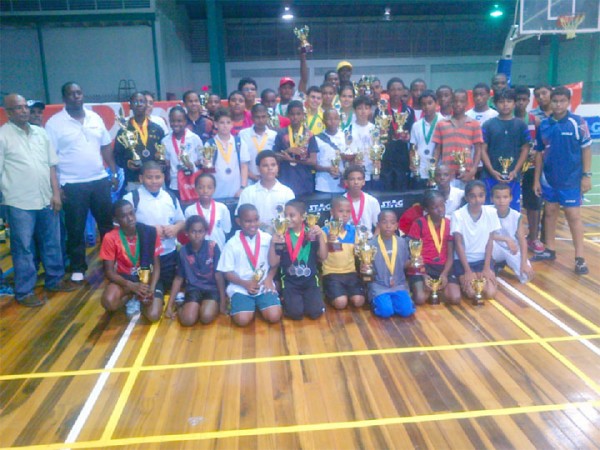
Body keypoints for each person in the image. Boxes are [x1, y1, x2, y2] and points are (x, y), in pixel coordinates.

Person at [0, 93, 74, 307]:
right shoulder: (3, 136)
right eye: (18, 108)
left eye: (25, 107)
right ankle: (24, 291)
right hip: (19, 202)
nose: (24, 111)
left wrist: (56, 193)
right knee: (23, 247)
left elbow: (51, 165)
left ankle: (55, 279)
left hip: (46, 199)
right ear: (8, 112)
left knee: (52, 242)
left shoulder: (41, 134)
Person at [45, 82, 118, 284]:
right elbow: (50, 158)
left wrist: (112, 171)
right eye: (71, 94)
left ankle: (110, 264)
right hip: (72, 183)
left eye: (79, 93)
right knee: (75, 228)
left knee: (106, 225)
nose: (76, 96)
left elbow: (105, 146)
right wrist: (57, 188)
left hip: (99, 180)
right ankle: (78, 266)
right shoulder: (54, 123)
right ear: (64, 98)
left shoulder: (95, 117)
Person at [532, 86, 592, 275]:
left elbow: (586, 149)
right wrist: (536, 180)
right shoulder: (544, 124)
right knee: (549, 212)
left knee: (573, 216)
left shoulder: (577, 123)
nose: (558, 105)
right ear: (551, 101)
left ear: (568, 102)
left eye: (562, 101)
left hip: (571, 181)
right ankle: (550, 250)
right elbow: (539, 154)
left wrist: (586, 176)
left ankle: (580, 258)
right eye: (555, 101)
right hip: (549, 179)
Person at [123, 161, 185, 305]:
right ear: (141, 178)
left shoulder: (170, 196)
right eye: (149, 177)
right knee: (147, 293)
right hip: (145, 257)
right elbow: (121, 226)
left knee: (171, 285)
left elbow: (182, 221)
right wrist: (150, 231)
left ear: (163, 177)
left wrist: (175, 228)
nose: (154, 181)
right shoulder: (131, 198)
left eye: (157, 177)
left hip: (169, 254)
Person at [217, 204, 282, 327]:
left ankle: (260, 304)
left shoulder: (267, 238)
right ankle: (246, 304)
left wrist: (269, 279)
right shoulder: (232, 244)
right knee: (242, 320)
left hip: (264, 285)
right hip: (241, 287)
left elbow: (274, 263)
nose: (253, 224)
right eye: (248, 221)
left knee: (274, 316)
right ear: (238, 221)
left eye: (256, 220)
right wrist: (245, 284)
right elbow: (227, 272)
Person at [99, 199, 162, 321]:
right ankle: (131, 296)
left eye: (131, 213)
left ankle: (141, 299)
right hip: (126, 279)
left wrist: (151, 289)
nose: (130, 218)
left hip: (147, 278)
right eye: (124, 216)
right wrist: (131, 286)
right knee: (108, 302)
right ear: (116, 220)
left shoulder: (149, 232)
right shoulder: (110, 237)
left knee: (153, 316)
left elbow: (157, 266)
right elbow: (109, 272)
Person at [268, 200, 328, 320]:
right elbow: (273, 263)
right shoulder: (281, 235)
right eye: (285, 215)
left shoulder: (311, 233)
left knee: (315, 313)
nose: (288, 219)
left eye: (292, 215)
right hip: (290, 282)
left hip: (310, 281)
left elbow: (323, 257)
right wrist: (272, 244)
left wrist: (320, 236)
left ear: (303, 217)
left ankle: (308, 299)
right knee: (295, 314)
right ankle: (287, 299)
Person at [166, 215, 226, 325]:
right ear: (187, 233)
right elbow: (179, 278)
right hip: (193, 289)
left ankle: (207, 306)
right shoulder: (183, 251)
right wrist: (169, 305)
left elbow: (219, 275)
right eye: (193, 231)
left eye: (200, 231)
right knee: (187, 321)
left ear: (205, 232)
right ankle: (180, 306)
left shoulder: (213, 246)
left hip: (211, 289)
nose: (197, 235)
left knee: (206, 317)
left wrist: (223, 301)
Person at [408, 190, 460, 305]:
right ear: (426, 209)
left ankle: (436, 288)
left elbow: (450, 254)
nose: (440, 209)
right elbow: (414, 255)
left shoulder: (449, 223)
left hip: (443, 267)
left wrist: (445, 274)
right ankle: (416, 287)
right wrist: (423, 275)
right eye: (435, 207)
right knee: (420, 299)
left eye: (442, 205)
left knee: (455, 298)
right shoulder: (419, 223)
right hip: (423, 267)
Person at [481, 88, 530, 211]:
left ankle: (513, 232)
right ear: (495, 104)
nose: (505, 104)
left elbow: (525, 149)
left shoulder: (521, 125)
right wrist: (491, 170)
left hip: (513, 177)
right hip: (490, 176)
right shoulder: (488, 125)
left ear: (514, 103)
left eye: (509, 101)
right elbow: (482, 149)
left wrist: (515, 170)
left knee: (513, 212)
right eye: (501, 101)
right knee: (490, 211)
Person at [451, 180, 500, 301]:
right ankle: (463, 277)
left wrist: (487, 267)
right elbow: (458, 244)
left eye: (481, 195)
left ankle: (479, 274)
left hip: (483, 260)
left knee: (490, 293)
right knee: (472, 293)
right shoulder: (458, 215)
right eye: (473, 196)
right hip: (463, 261)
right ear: (467, 198)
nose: (477, 200)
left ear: (485, 196)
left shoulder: (491, 212)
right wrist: (467, 270)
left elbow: (490, 242)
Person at [115, 92, 166, 192]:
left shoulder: (157, 129)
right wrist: (128, 163)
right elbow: (117, 156)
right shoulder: (124, 130)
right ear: (130, 106)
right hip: (133, 180)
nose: (139, 104)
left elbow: (164, 152)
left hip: (154, 180)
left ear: (146, 104)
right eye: (135, 102)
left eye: (142, 101)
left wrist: (162, 162)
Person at [514, 85, 544, 253]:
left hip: (531, 169)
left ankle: (533, 237)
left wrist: (534, 152)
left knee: (533, 204)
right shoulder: (507, 119)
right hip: (512, 167)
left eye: (524, 100)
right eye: (517, 100)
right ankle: (512, 236)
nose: (520, 103)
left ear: (528, 101)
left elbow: (540, 148)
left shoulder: (535, 121)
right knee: (510, 203)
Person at [367, 210, 415, 318]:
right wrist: (364, 268)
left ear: (396, 225)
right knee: (386, 312)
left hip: (399, 284)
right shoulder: (370, 244)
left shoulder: (402, 242)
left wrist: (414, 261)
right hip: (379, 285)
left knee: (406, 311)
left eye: (392, 223)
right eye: (384, 222)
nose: (388, 226)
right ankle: (376, 301)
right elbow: (367, 270)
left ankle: (392, 301)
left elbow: (404, 264)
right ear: (378, 225)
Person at [432, 89, 483, 188]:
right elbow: (437, 149)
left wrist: (473, 170)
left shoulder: (474, 124)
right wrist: (433, 169)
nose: (458, 104)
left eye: (462, 101)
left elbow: (478, 149)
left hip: (466, 173)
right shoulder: (441, 124)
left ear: (467, 103)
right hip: (446, 174)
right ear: (451, 103)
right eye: (455, 101)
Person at [321, 196, 365, 310]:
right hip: (331, 273)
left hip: (351, 272)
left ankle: (345, 292)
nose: (344, 214)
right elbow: (320, 256)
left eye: (348, 211)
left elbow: (358, 253)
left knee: (359, 301)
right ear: (332, 212)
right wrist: (328, 243)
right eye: (341, 211)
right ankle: (330, 293)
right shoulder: (324, 231)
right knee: (341, 303)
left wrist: (365, 261)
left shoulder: (354, 231)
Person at [236, 150, 295, 231]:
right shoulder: (248, 192)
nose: (270, 168)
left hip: (281, 237)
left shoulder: (287, 192)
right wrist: (267, 229)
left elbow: (292, 220)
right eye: (265, 165)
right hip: (255, 237)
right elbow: (240, 218)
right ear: (258, 168)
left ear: (278, 167)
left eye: (273, 165)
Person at [490, 184, 534, 284]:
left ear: (511, 198)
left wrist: (523, 263)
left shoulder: (516, 216)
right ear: (492, 199)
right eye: (498, 197)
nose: (501, 201)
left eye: (505, 197)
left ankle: (503, 262)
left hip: (512, 249)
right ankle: (494, 264)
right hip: (494, 247)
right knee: (483, 245)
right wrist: (506, 239)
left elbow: (522, 241)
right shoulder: (488, 212)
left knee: (526, 276)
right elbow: (484, 235)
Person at [377, 77, 415, 192]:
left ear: (403, 91)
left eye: (399, 89)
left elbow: (411, 134)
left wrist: (407, 137)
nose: (396, 92)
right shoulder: (380, 110)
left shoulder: (408, 110)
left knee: (401, 190)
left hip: (402, 157)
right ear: (387, 92)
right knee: (386, 190)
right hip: (385, 157)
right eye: (393, 89)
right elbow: (375, 132)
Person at [203, 107, 250, 199]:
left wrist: (243, 187)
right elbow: (207, 169)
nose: (225, 126)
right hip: (216, 192)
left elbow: (244, 166)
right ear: (216, 124)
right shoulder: (209, 144)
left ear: (232, 124)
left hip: (236, 191)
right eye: (221, 122)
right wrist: (207, 164)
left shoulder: (239, 142)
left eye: (228, 122)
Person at [273, 100, 316, 198]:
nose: (295, 117)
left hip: (304, 181)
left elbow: (313, 161)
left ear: (303, 115)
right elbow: (274, 156)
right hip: (286, 179)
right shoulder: (281, 134)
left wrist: (293, 160)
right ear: (287, 115)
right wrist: (288, 151)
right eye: (292, 114)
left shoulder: (309, 134)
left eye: (298, 114)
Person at [161, 106, 202, 196]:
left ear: (185, 121)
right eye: (173, 121)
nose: (176, 124)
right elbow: (167, 163)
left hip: (192, 182)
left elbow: (201, 159)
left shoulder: (194, 138)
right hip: (174, 184)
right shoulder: (165, 141)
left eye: (179, 121)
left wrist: (192, 165)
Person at [184, 173, 231, 250]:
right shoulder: (190, 210)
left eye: (209, 187)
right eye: (201, 187)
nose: (205, 191)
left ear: (214, 189)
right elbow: (189, 233)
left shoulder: (222, 208)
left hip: (219, 249)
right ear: (195, 189)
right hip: (198, 251)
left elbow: (226, 230)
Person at [410, 90, 440, 189]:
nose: (426, 107)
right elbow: (412, 148)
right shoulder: (416, 125)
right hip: (421, 170)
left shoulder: (443, 122)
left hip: (438, 170)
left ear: (436, 103)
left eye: (430, 103)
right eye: (423, 104)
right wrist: (412, 163)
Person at [238, 104, 277, 182]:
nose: (261, 120)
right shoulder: (243, 134)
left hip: (269, 178)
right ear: (252, 117)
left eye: (263, 117)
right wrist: (250, 175)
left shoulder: (274, 135)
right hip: (248, 178)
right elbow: (239, 159)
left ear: (267, 117)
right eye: (257, 117)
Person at [313, 108, 345, 194]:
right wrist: (327, 169)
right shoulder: (316, 138)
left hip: (342, 184)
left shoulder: (345, 137)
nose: (333, 121)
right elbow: (313, 164)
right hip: (322, 184)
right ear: (323, 121)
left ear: (339, 120)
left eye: (336, 118)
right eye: (329, 119)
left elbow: (351, 159)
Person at [344, 165, 380, 234]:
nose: (356, 182)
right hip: (347, 242)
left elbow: (378, 226)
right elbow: (335, 226)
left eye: (359, 179)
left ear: (363, 182)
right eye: (352, 179)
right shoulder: (340, 202)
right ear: (346, 182)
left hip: (368, 241)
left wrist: (373, 242)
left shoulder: (372, 201)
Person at [349, 96, 376, 188]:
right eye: (359, 108)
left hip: (372, 171)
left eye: (366, 108)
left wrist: (377, 161)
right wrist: (352, 160)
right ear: (354, 110)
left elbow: (379, 150)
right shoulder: (348, 129)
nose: (363, 111)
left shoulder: (375, 129)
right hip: (355, 174)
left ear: (370, 110)